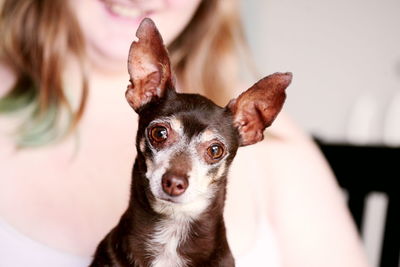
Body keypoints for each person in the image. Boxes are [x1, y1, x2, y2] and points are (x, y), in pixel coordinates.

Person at [0, 0, 369, 266]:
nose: (179, 174)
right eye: (161, 135)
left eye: (212, 151)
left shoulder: (283, 145)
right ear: (142, 89)